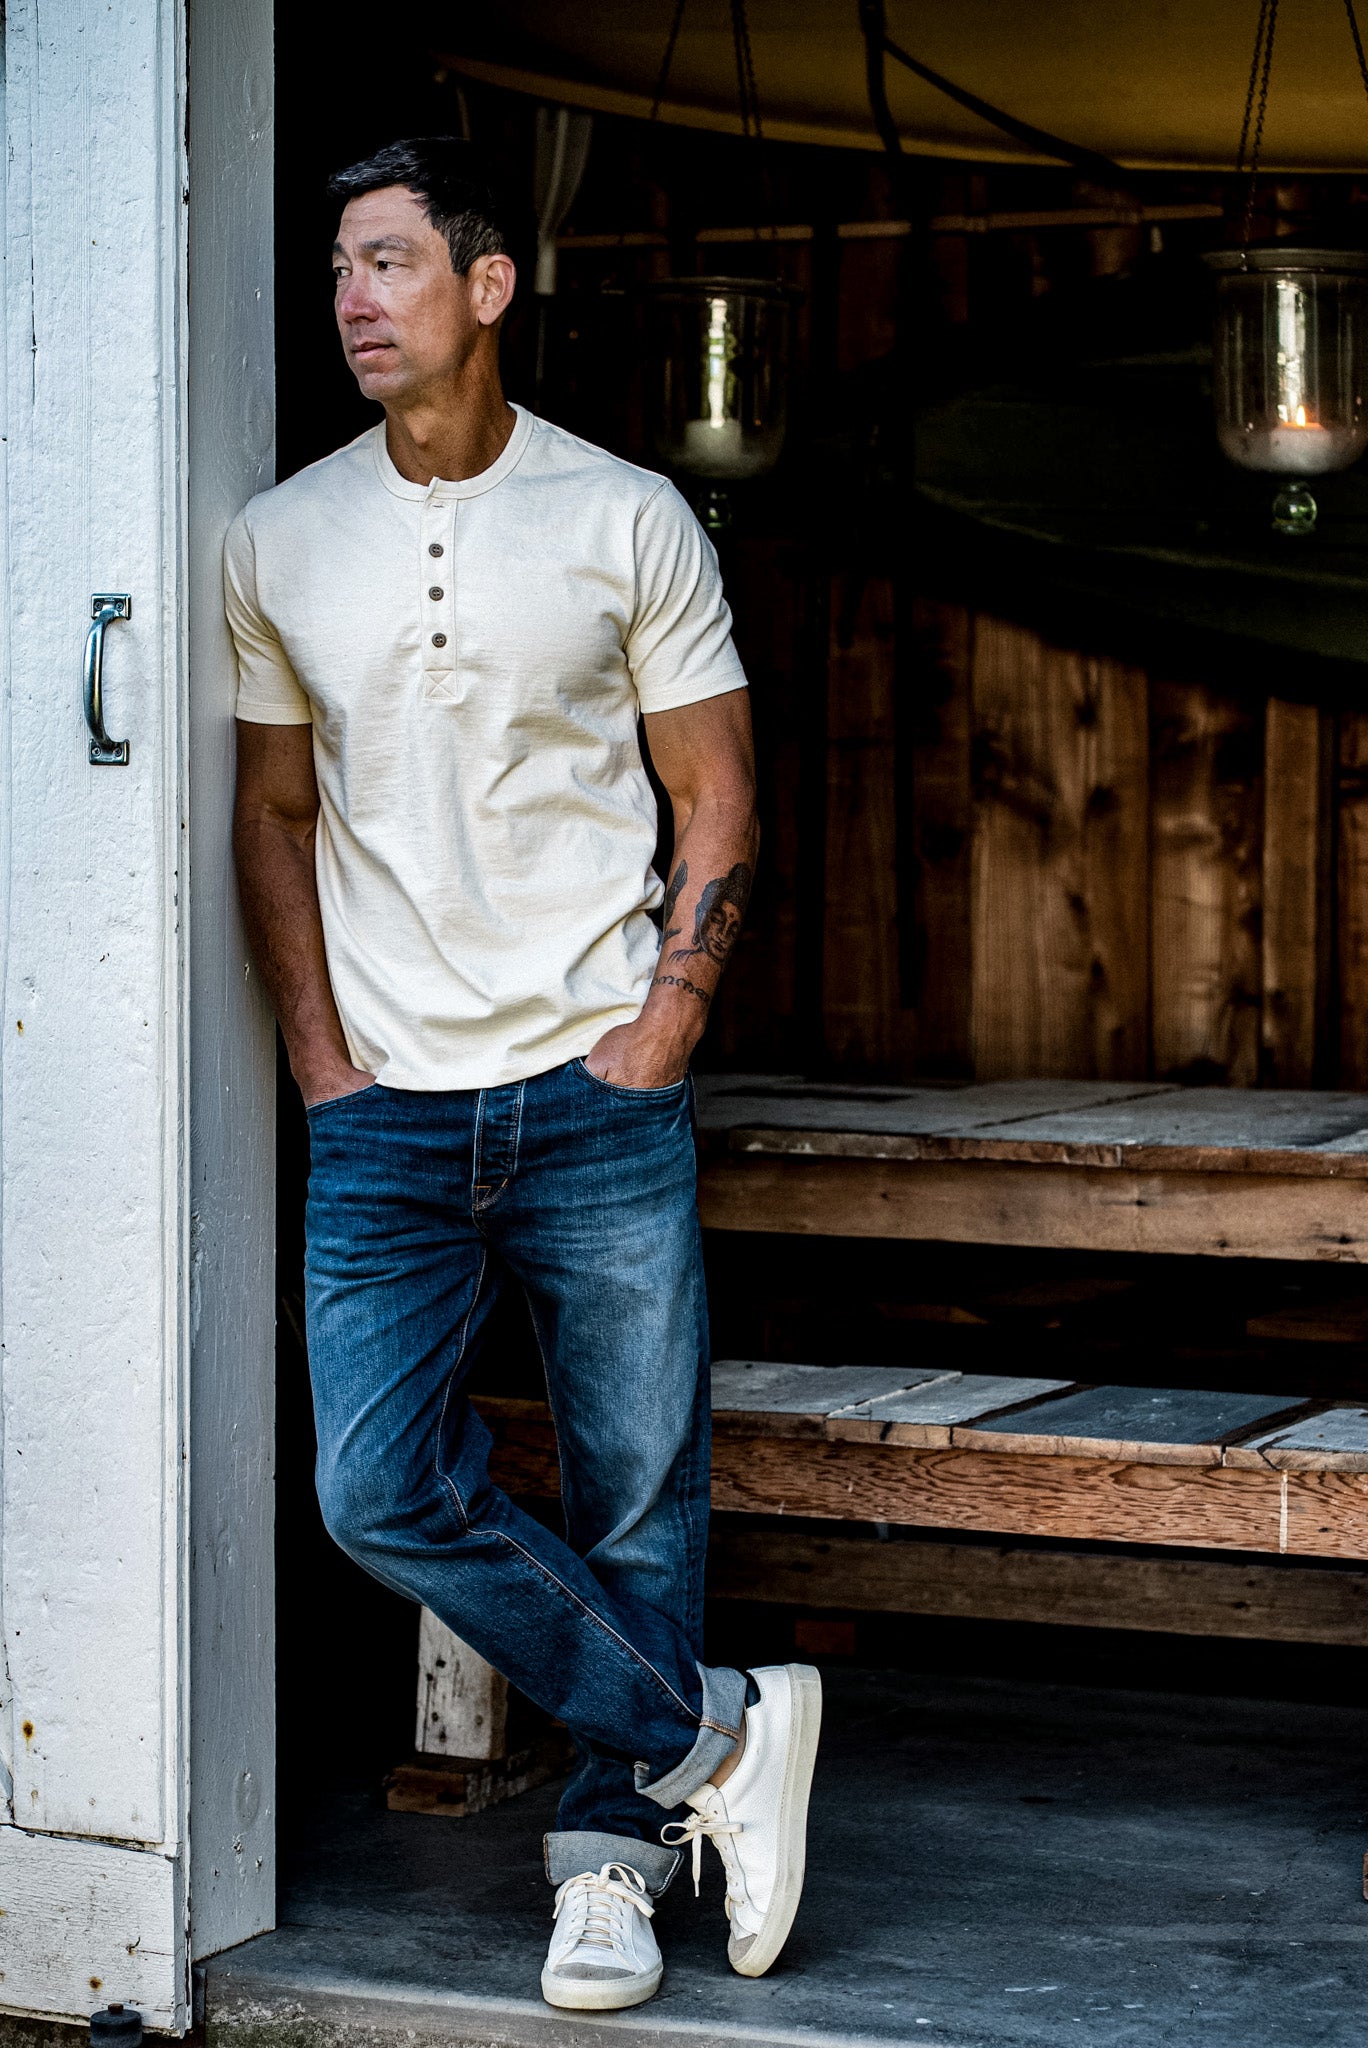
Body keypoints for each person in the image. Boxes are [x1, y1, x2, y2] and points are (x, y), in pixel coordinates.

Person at [227, 136, 820, 2012]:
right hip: (383, 1109)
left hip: (592, 1084)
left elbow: (714, 784)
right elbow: (271, 812)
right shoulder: (277, 537)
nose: (352, 297)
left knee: (640, 1492)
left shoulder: (626, 514)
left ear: (488, 288)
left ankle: (605, 1868)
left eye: (390, 262)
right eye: (340, 267)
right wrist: (321, 1060)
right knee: (376, 1489)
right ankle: (718, 1728)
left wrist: (664, 1026)